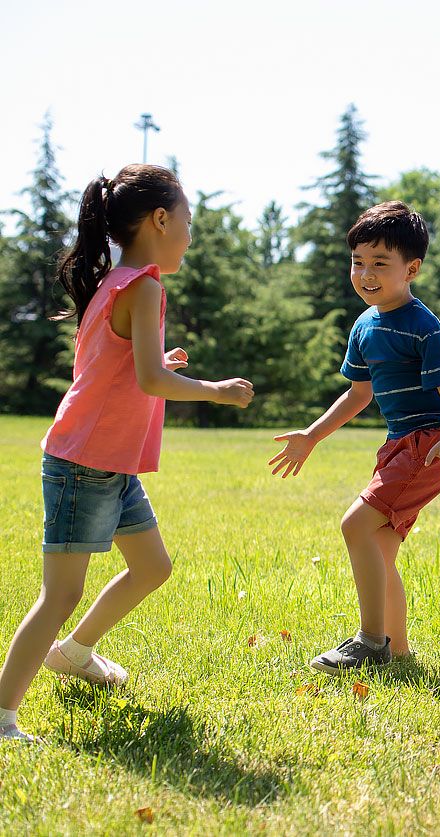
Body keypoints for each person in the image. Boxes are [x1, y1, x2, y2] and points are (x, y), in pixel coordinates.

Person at [0, 165, 254, 742]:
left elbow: (122, 365)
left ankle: (75, 653)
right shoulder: (143, 286)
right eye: (187, 221)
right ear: (160, 220)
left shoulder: (119, 284)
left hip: (107, 463)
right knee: (60, 593)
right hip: (83, 463)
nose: (191, 233)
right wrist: (215, 390)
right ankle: (2, 716)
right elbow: (149, 379)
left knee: (152, 567)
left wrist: (165, 363)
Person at [269, 201, 440, 673]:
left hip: (428, 442)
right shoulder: (364, 325)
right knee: (379, 547)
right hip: (398, 445)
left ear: (411, 269)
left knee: (355, 526)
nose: (365, 273)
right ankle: (398, 653)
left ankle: (370, 642)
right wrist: (312, 436)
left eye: (380, 263)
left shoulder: (422, 326)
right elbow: (358, 394)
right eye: (358, 261)